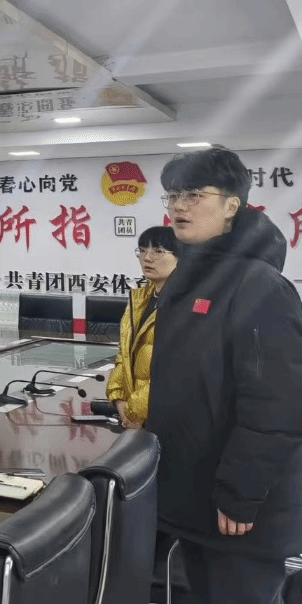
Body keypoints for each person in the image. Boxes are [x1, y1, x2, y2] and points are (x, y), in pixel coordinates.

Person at [145, 146, 302, 603]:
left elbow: (277, 405)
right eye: (173, 195)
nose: (178, 206)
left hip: (239, 512)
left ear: (232, 205)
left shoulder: (261, 287)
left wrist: (240, 494)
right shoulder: (188, 279)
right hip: (195, 496)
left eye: (194, 195)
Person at [105, 225, 177, 431]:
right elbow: (124, 355)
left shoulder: (186, 304)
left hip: (167, 418)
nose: (147, 258)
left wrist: (134, 412)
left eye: (158, 251)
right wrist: (120, 401)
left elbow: (175, 371)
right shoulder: (140, 300)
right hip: (135, 418)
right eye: (143, 250)